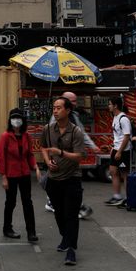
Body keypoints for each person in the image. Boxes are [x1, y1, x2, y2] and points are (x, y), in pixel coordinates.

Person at [40, 96, 85, 266]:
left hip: (72, 178)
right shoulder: (47, 129)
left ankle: (71, 250)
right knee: (59, 213)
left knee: (71, 215)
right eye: (54, 108)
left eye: (59, 108)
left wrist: (60, 153)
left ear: (68, 110)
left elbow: (79, 156)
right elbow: (43, 147)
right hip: (53, 179)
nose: (55, 111)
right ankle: (65, 238)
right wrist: (47, 161)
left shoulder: (76, 132)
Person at [45, 91, 95, 219]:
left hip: (71, 155)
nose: (75, 103)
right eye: (72, 101)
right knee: (64, 181)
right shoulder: (55, 118)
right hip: (61, 156)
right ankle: (75, 206)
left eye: (75, 101)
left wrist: (92, 146)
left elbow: (81, 133)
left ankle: (62, 203)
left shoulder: (74, 116)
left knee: (68, 181)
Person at [0, 107, 39, 242]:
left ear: (23, 120)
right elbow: (2, 157)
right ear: (10, 120)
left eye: (19, 118)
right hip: (11, 174)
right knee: (11, 202)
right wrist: (3, 176)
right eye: (14, 118)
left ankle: (31, 232)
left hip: (25, 173)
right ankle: (7, 228)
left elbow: (30, 155)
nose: (16, 120)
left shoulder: (27, 136)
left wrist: (35, 167)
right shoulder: (5, 136)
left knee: (28, 202)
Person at [104, 96, 131, 207]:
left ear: (115, 105)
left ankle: (130, 198)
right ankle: (117, 196)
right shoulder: (115, 117)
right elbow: (117, 136)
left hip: (123, 150)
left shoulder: (123, 118)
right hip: (116, 148)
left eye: (110, 104)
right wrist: (113, 149)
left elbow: (126, 136)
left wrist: (119, 151)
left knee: (125, 174)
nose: (108, 106)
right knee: (113, 171)